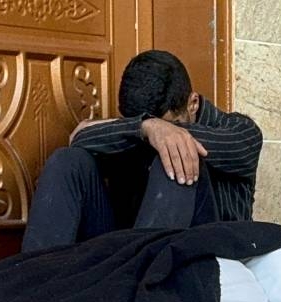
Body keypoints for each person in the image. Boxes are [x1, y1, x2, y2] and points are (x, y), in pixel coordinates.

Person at [22, 50, 263, 252]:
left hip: (203, 254)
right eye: (146, 124)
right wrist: (145, 127)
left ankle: (135, 288)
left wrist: (167, 133)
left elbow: (238, 147)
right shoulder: (142, 129)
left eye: (170, 123)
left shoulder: (239, 131)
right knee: (68, 161)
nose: (159, 134)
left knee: (176, 155)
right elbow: (79, 138)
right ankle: (31, 287)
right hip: (126, 251)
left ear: (193, 104)